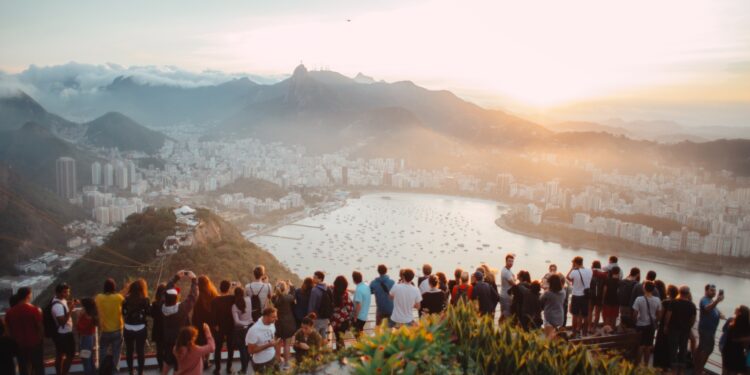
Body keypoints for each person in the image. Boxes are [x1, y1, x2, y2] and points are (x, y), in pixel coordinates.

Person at [162, 270, 198, 375]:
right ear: (176, 297)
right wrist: (194, 280)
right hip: (180, 340)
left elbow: (165, 291)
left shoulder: (162, 306)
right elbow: (193, 296)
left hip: (167, 338)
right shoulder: (181, 309)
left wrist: (176, 277)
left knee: (167, 359)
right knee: (179, 363)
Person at [4, 287, 44, 375]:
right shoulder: (34, 310)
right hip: (34, 343)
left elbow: (8, 332)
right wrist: (39, 340)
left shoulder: (9, 312)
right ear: (28, 295)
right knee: (38, 368)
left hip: (19, 345)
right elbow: (40, 327)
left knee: (24, 368)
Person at [663, 285, 696, 374]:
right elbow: (693, 319)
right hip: (685, 330)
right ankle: (681, 371)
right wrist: (689, 327)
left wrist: (666, 326)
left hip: (673, 329)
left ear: (679, 292)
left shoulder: (674, 302)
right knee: (683, 349)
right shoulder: (692, 305)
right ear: (688, 293)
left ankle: (673, 370)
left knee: (673, 349)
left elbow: (668, 315)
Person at [694, 284, 724, 374]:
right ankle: (699, 370)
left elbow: (713, 309)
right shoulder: (704, 300)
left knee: (701, 348)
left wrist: (720, 314)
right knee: (707, 350)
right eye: (711, 290)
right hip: (706, 330)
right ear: (706, 291)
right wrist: (717, 300)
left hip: (710, 330)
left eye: (714, 291)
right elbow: (707, 308)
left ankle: (697, 368)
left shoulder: (710, 300)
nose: (714, 292)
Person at [96, 278, 124, 373]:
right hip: (117, 330)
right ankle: (115, 371)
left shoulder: (99, 297)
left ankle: (103, 370)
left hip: (105, 330)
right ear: (114, 287)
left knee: (102, 352)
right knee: (116, 353)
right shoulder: (119, 297)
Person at [122, 278, 150, 375]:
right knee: (140, 351)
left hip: (128, 327)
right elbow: (148, 312)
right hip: (140, 328)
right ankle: (140, 372)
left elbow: (123, 312)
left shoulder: (126, 299)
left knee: (129, 351)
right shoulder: (145, 299)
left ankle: (131, 371)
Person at [632, 281, 662, 366]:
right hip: (651, 326)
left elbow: (635, 313)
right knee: (648, 346)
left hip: (640, 324)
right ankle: (646, 365)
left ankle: (636, 365)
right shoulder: (657, 300)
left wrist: (635, 322)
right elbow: (659, 314)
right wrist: (655, 322)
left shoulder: (639, 299)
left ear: (644, 288)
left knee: (640, 346)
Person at [49, 283, 76, 375]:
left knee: (60, 355)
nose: (67, 294)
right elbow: (62, 322)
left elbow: (63, 304)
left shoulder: (59, 300)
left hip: (61, 333)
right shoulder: (57, 306)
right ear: (58, 293)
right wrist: (71, 309)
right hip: (64, 334)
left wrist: (68, 304)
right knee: (70, 355)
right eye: (64, 292)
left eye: (68, 292)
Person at [210, 280, 236, 375]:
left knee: (218, 348)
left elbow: (212, 316)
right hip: (230, 327)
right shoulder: (232, 298)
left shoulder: (214, 300)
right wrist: (234, 288)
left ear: (219, 288)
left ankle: (217, 369)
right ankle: (229, 368)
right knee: (230, 348)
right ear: (228, 289)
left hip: (219, 328)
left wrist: (215, 325)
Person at [193, 275, 218, 371]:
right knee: (208, 342)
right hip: (210, 324)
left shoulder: (196, 295)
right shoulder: (213, 293)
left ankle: (202, 361)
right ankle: (206, 361)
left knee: (200, 343)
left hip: (198, 323)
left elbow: (195, 312)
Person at [246, 307, 279, 373]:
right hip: (261, 363)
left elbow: (272, 338)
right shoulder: (254, 330)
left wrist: (277, 356)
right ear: (266, 317)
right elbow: (250, 351)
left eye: (276, 316)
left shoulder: (272, 324)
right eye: (273, 317)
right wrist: (268, 345)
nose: (276, 319)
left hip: (272, 358)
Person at [653, 285, 678, 370]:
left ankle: (657, 363)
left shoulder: (665, 302)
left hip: (664, 325)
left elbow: (661, 314)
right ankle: (666, 364)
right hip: (673, 327)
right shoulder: (677, 303)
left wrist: (656, 322)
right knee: (668, 345)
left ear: (669, 292)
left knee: (660, 343)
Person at [272, 281, 296, 368]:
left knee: (278, 343)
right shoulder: (287, 297)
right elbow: (293, 295)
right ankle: (286, 363)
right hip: (288, 322)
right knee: (287, 344)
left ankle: (278, 361)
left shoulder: (274, 298)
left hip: (278, 322)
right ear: (285, 288)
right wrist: (292, 287)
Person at [566, 256, 592, 337]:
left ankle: (574, 333)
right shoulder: (589, 270)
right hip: (586, 295)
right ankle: (584, 333)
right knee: (585, 315)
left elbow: (568, 277)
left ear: (575, 263)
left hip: (576, 295)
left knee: (575, 315)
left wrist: (572, 268)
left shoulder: (574, 272)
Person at [721, 305, 750, 375]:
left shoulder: (732, 323)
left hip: (728, 349)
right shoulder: (746, 326)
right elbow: (735, 339)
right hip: (736, 352)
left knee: (726, 370)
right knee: (733, 371)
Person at [231, 287, 252, 374]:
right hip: (250, 327)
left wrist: (244, 323)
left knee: (242, 350)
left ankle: (243, 369)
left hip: (240, 330)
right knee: (247, 349)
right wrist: (248, 322)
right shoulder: (249, 300)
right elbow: (249, 291)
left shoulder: (234, 306)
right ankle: (246, 368)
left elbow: (236, 322)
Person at [330, 276, 353, 351]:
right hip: (343, 319)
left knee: (337, 337)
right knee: (341, 337)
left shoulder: (331, 292)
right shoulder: (346, 294)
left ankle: (339, 351)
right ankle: (341, 353)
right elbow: (350, 307)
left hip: (334, 319)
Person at [75, 298, 97, 375]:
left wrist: (78, 317)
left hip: (85, 339)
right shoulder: (92, 314)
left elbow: (79, 327)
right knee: (90, 359)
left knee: (86, 360)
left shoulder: (86, 316)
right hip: (90, 337)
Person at [540, 273, 565, 339]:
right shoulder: (563, 292)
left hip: (549, 318)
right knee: (557, 337)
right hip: (560, 317)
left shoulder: (548, 293)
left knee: (549, 338)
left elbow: (540, 300)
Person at [308, 271, 332, 339]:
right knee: (323, 336)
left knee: (315, 337)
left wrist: (309, 317)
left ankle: (316, 350)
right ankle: (324, 349)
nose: (313, 278)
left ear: (320, 279)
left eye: (315, 277)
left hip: (317, 318)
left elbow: (311, 305)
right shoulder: (328, 288)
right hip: (325, 318)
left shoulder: (314, 290)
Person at [150, 284, 167, 372]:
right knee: (168, 349)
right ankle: (167, 366)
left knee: (159, 349)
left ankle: (161, 367)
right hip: (167, 330)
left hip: (157, 330)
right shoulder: (169, 304)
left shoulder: (154, 304)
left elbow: (152, 315)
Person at [588, 260, 606, 329]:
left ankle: (589, 327)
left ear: (593, 265)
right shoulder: (604, 274)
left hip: (591, 295)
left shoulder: (590, 272)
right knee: (597, 313)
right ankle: (594, 328)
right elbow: (604, 287)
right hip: (600, 295)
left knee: (590, 311)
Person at [499, 254, 517, 321]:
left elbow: (513, 278)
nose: (511, 263)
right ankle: (504, 330)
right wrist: (514, 279)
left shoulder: (508, 270)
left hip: (505, 295)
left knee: (503, 315)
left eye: (512, 261)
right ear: (506, 261)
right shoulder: (506, 272)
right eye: (509, 261)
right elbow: (514, 284)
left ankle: (500, 329)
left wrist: (514, 279)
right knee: (507, 315)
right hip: (506, 296)